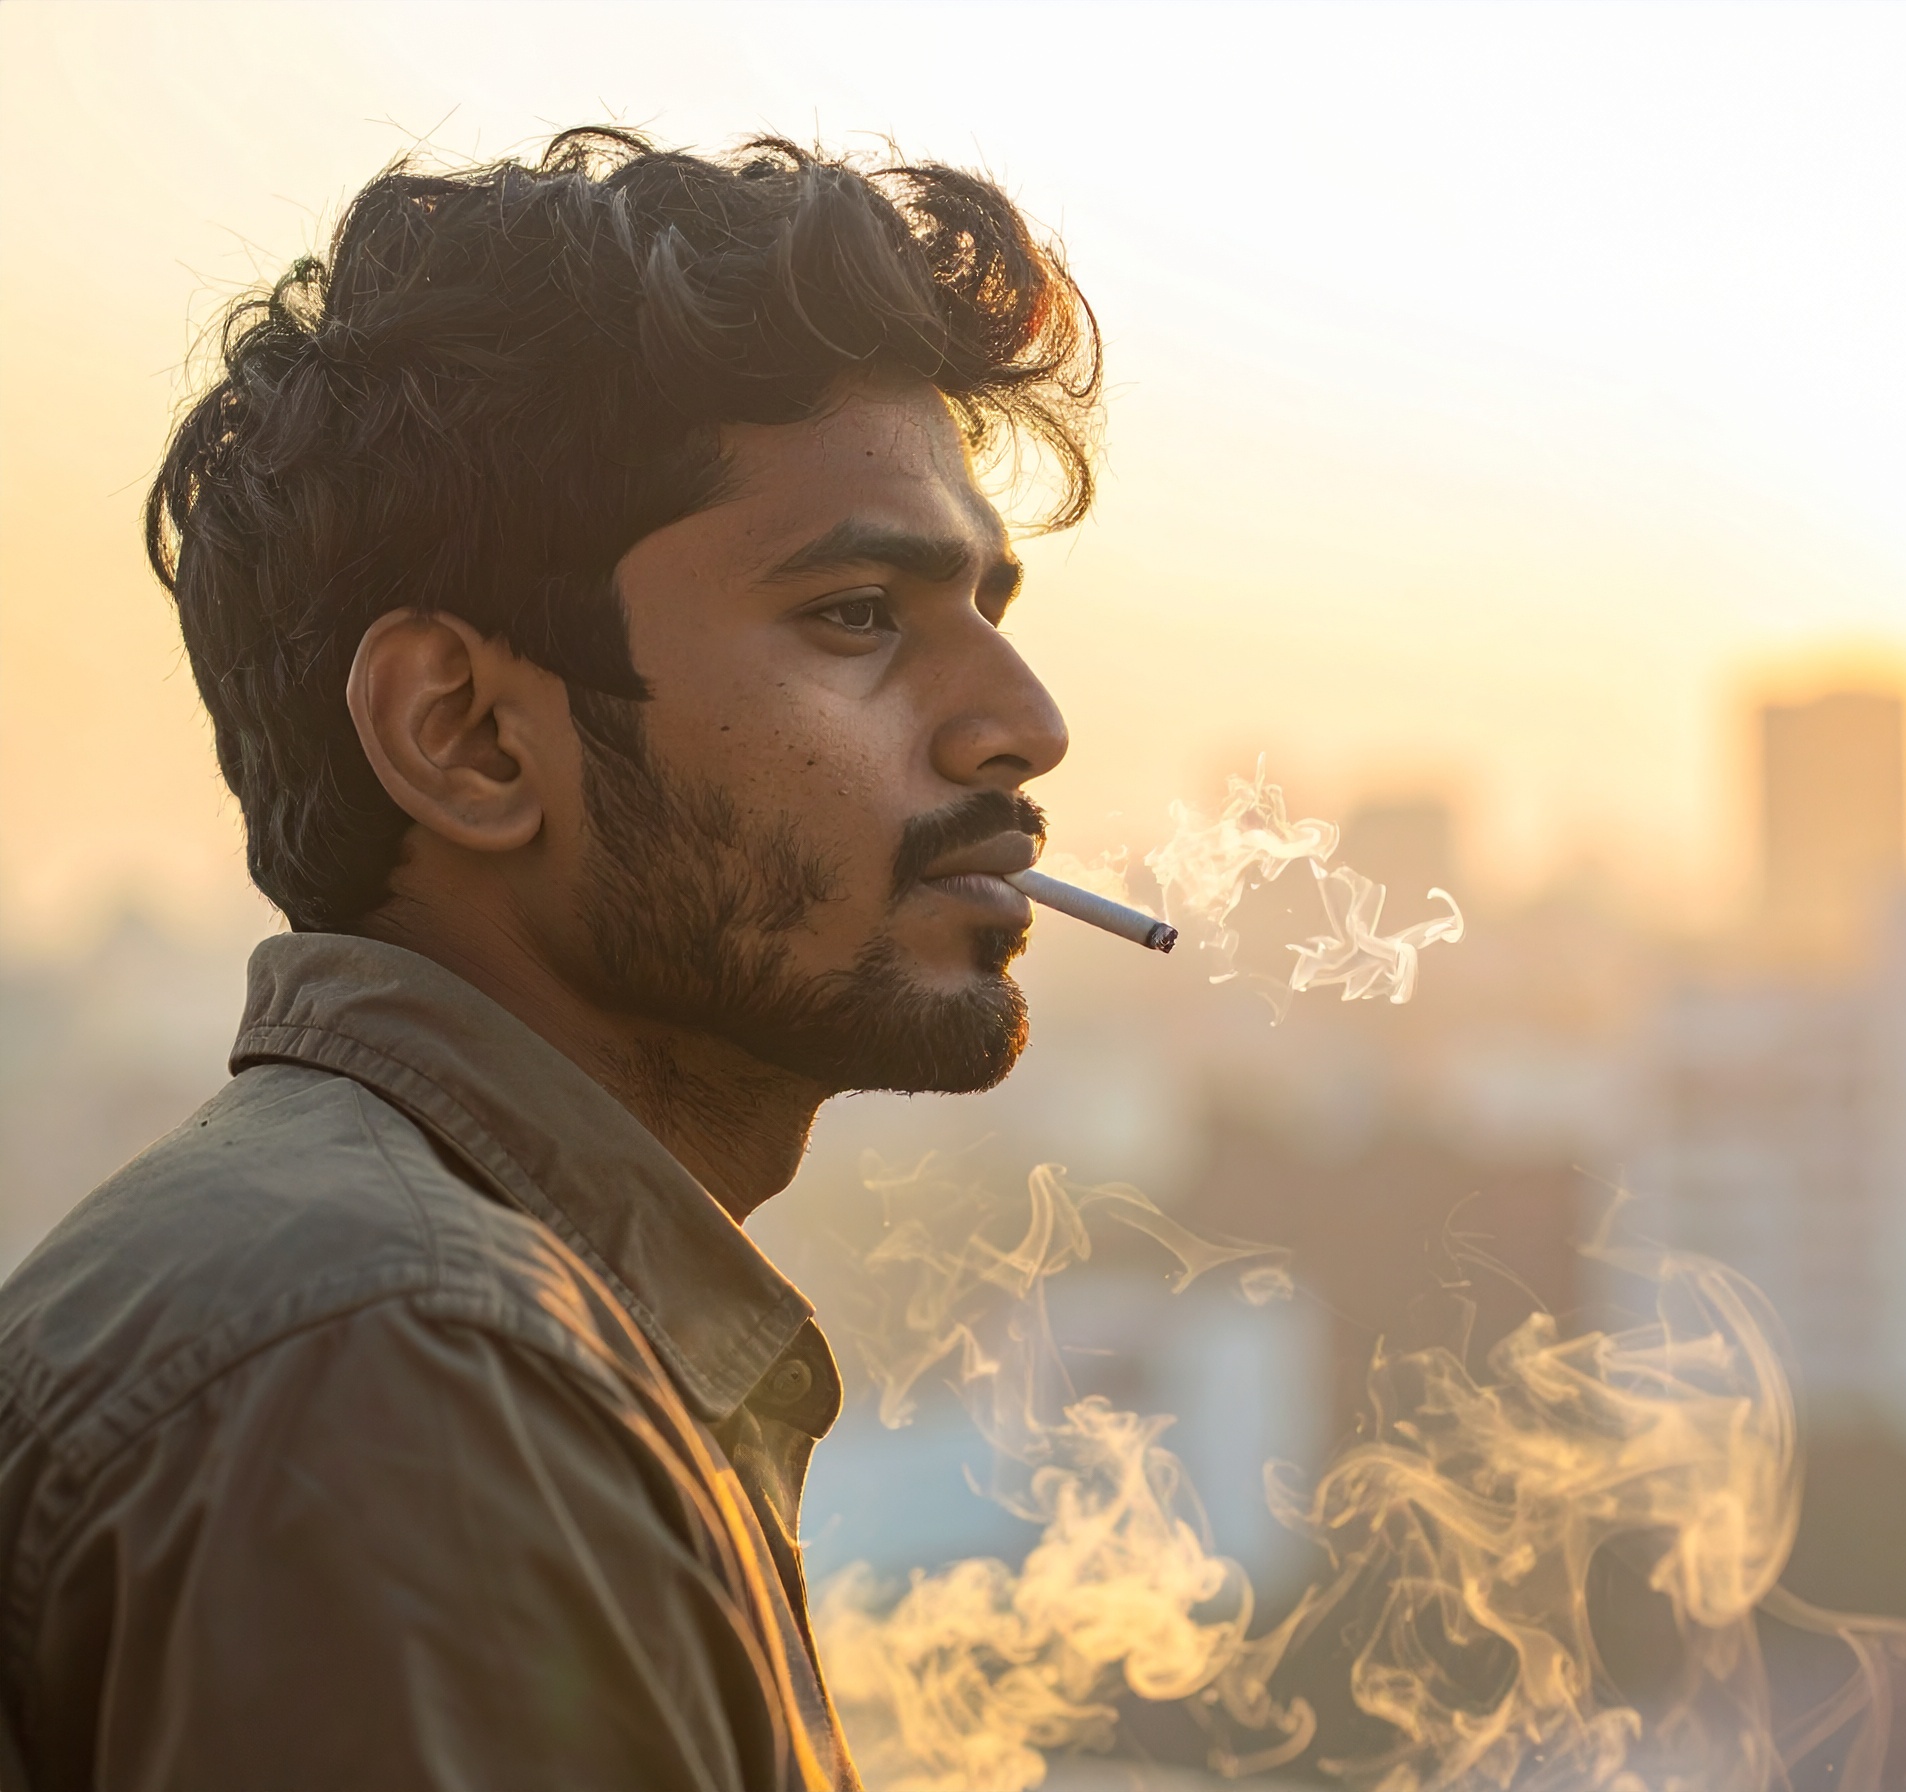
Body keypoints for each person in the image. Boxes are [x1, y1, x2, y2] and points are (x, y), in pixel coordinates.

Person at [0, 125, 1098, 1789]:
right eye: (858, 614)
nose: (1024, 728)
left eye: (991, 615)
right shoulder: (409, 1370)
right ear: (468, 737)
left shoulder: (430, 1315)